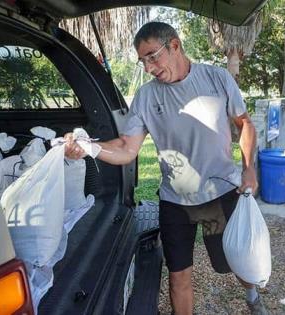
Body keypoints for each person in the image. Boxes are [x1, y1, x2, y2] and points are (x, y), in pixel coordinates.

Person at [65, 22, 267, 315]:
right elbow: (126, 148)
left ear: (174, 45)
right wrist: (88, 147)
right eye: (142, 61)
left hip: (219, 194)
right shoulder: (147, 97)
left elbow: (244, 123)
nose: (148, 68)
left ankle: (251, 296)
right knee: (178, 275)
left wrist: (249, 169)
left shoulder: (217, 78)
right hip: (176, 202)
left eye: (152, 56)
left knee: (234, 260)